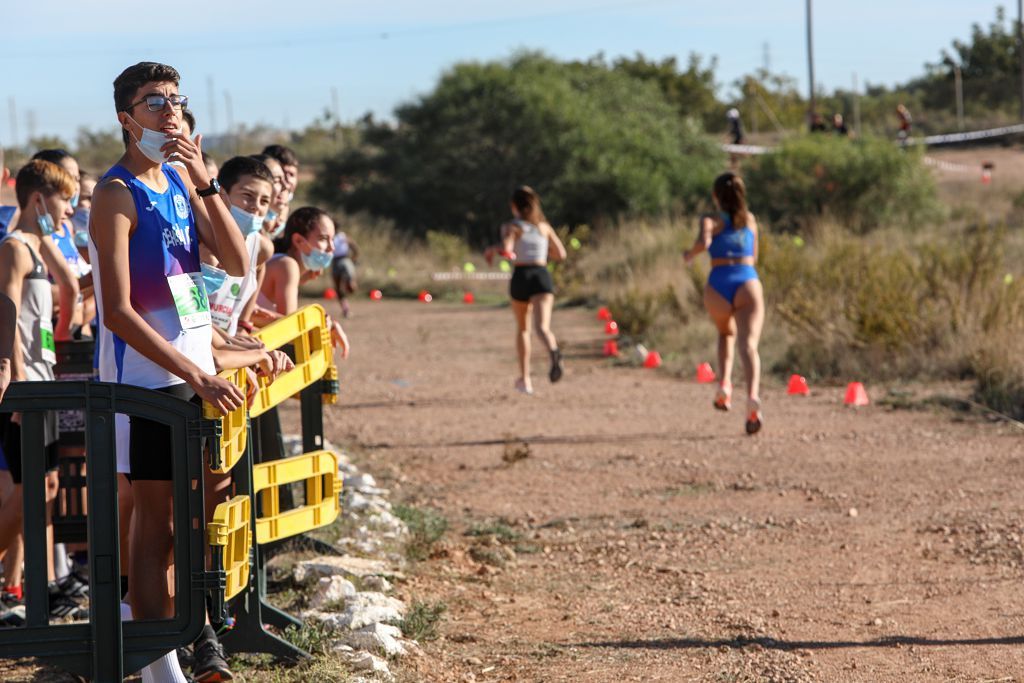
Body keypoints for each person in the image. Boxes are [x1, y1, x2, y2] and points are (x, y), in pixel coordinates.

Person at [88, 61, 249, 683]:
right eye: (154, 102)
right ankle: (158, 667)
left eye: (177, 101)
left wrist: (204, 178)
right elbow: (120, 312)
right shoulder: (116, 192)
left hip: (194, 372)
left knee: (192, 517)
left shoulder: (181, 183)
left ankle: (180, 642)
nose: (170, 112)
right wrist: (198, 373)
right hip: (146, 382)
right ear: (126, 118)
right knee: (153, 523)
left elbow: (233, 262)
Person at [0, 159, 87, 621]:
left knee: (47, 484)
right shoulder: (14, 247)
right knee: (28, 488)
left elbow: (71, 285)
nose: (71, 209)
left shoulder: (39, 244)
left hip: (44, 378)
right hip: (26, 386)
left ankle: (40, 586)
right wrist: (13, 377)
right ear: (38, 199)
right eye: (64, 199)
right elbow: (7, 311)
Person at [684, 172, 764, 435]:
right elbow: (754, 255)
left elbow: (704, 244)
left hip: (718, 283)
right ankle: (752, 396)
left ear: (715, 196)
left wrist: (689, 254)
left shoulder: (710, 220)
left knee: (725, 332)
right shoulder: (749, 220)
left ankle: (725, 385)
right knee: (748, 345)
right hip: (746, 280)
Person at [484, 186, 567, 395]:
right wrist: (542, 251)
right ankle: (553, 351)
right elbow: (561, 255)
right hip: (542, 274)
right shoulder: (544, 227)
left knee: (523, 329)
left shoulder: (511, 227)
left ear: (514, 206)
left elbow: (507, 250)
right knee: (542, 327)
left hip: (522, 276)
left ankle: (525, 380)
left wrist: (493, 250)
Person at [258, 207, 350, 357]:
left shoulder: (282, 263)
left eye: (332, 239)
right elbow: (290, 329)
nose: (332, 248)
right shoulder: (287, 265)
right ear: (298, 240)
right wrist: (324, 324)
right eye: (323, 239)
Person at [330, 230, 359, 318]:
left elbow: (353, 246)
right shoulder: (330, 237)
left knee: (351, 288)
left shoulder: (342, 236)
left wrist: (354, 257)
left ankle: (349, 284)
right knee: (338, 289)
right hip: (335, 261)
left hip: (344, 260)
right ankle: (346, 309)